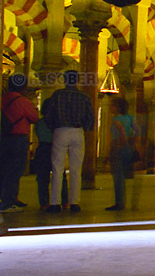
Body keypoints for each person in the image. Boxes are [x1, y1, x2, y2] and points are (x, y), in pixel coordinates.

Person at [42, 69, 95, 213]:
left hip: (60, 131)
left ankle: (55, 203)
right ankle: (74, 203)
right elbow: (90, 117)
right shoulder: (84, 97)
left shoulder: (57, 95)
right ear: (77, 80)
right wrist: (84, 128)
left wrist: (54, 128)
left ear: (64, 80)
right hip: (77, 132)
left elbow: (48, 115)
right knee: (76, 170)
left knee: (57, 168)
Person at [1, 74, 40, 213]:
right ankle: (8, 201)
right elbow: (34, 118)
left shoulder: (3, 99)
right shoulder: (23, 101)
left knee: (4, 168)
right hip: (18, 138)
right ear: (23, 87)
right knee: (15, 169)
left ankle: (8, 198)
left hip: (3, 138)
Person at [107, 97, 137, 210]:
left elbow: (122, 132)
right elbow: (137, 130)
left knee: (118, 176)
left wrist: (121, 143)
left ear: (118, 107)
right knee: (122, 176)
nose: (110, 107)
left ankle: (119, 203)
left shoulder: (116, 119)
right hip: (128, 148)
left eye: (112, 105)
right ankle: (121, 202)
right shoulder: (129, 118)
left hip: (118, 147)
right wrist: (133, 143)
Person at [34, 116, 68, 210]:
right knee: (60, 174)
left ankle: (44, 203)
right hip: (56, 147)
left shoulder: (40, 122)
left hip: (43, 148)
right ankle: (65, 201)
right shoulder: (58, 121)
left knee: (42, 177)